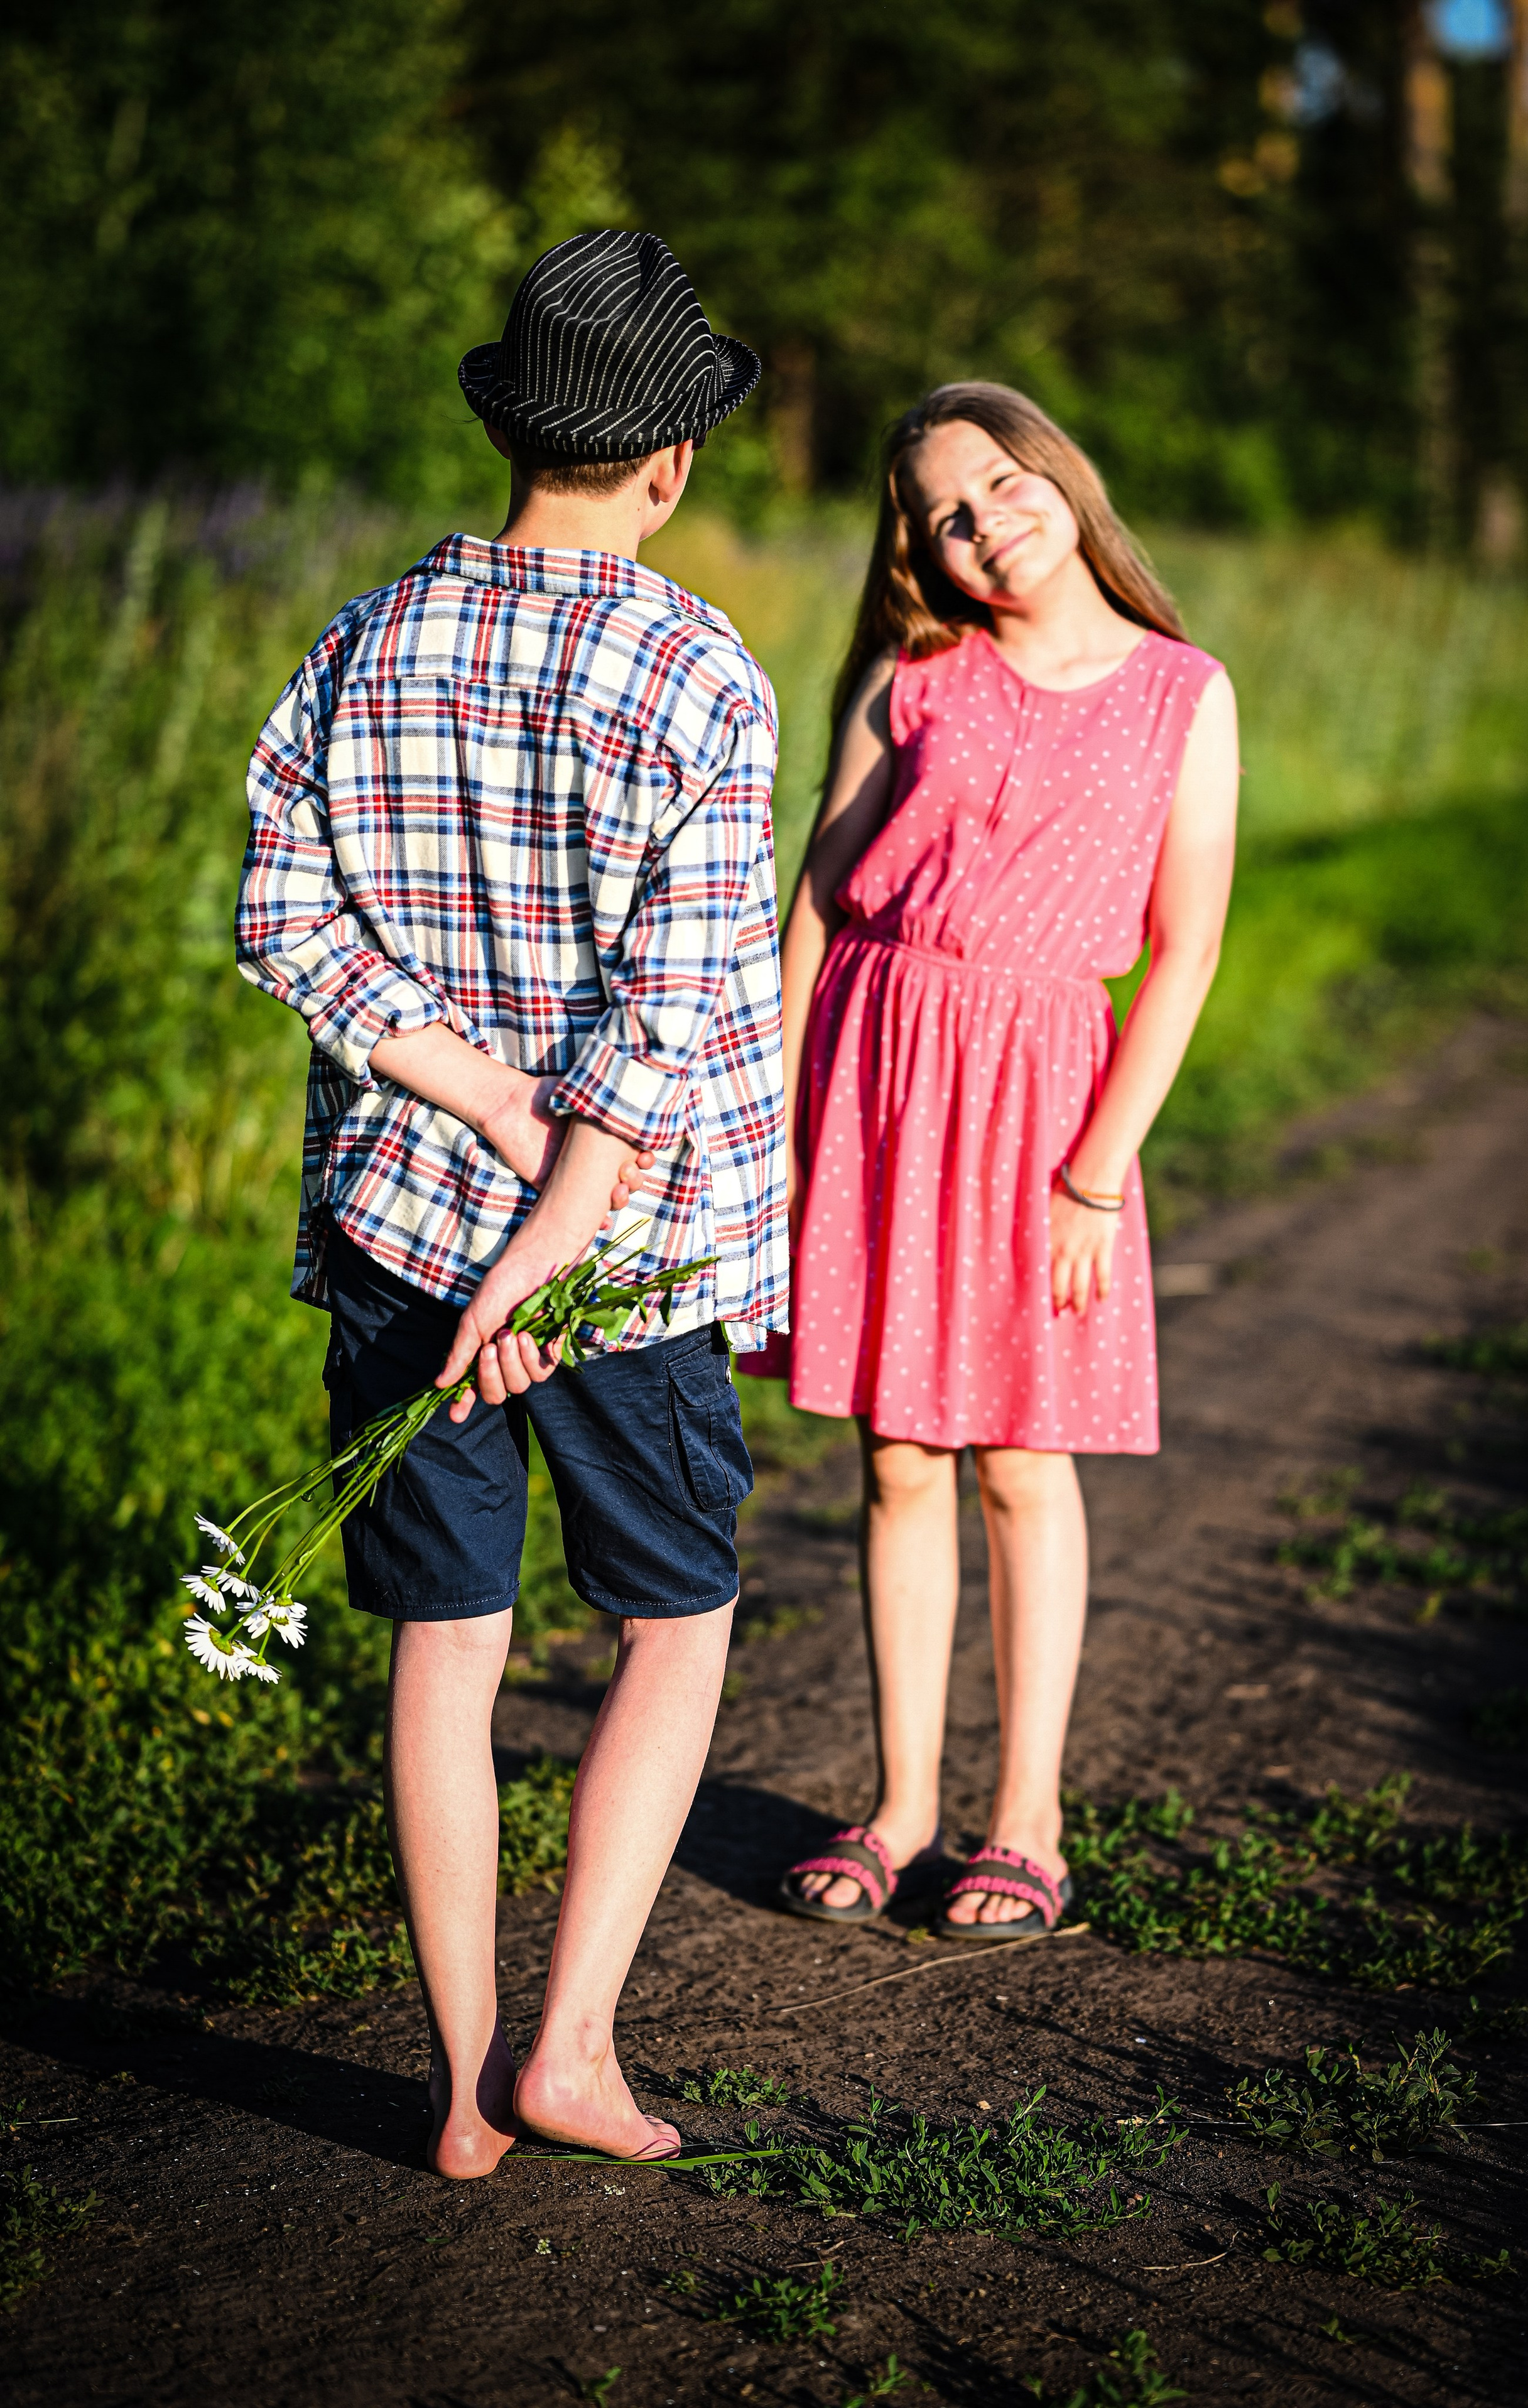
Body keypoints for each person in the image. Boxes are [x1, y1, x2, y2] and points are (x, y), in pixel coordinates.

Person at [236, 232, 785, 2174]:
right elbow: (665, 1023)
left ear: (512, 436)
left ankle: (461, 2085)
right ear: (669, 466)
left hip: (401, 1225)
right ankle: (572, 2047)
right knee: (675, 1618)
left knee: (447, 1642)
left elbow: (277, 917)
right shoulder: (698, 671)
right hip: (615, 1261)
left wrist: (458, 1086)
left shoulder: (360, 641)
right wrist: (547, 1239)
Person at [763, 382, 1238, 1938]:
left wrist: (1097, 1174)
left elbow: (1178, 956)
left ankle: (1023, 1820)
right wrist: (766, 1118)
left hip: (1044, 1098)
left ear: (1059, 472)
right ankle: (901, 1805)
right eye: (944, 516)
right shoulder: (915, 671)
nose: (983, 525)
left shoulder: (1182, 691)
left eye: (1000, 483)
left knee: (1022, 1464)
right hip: (876, 1070)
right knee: (898, 1458)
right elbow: (820, 901)